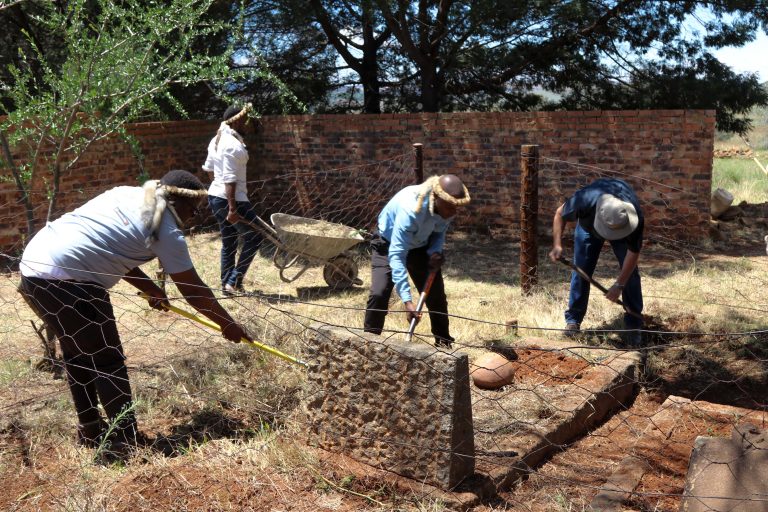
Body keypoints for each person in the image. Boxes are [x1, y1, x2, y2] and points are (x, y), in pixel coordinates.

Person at [19, 170, 252, 456]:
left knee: (78, 355)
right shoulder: (166, 231)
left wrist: (152, 289)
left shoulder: (127, 194)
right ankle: (123, 443)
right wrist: (228, 324)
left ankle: (90, 430)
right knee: (107, 361)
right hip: (68, 279)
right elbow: (193, 290)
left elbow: (113, 244)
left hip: (34, 268)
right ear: (177, 203)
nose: (193, 217)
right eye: (193, 210)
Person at [363, 174, 471, 349]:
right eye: (451, 207)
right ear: (436, 197)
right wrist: (407, 302)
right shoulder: (411, 211)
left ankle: (444, 345)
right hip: (388, 243)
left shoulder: (446, 206)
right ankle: (367, 345)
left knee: (436, 296)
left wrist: (435, 252)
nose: (454, 212)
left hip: (421, 244)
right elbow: (397, 256)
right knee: (379, 293)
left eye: (456, 207)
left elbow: (438, 231)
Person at [548, 177, 644, 345]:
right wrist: (557, 245)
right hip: (588, 227)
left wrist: (619, 284)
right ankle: (573, 321)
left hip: (622, 227)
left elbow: (633, 253)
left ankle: (634, 324)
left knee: (630, 275)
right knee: (581, 270)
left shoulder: (633, 218)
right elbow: (559, 214)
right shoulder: (584, 201)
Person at [203, 103, 263, 295]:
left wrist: (217, 189)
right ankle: (233, 282)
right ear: (236, 120)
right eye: (245, 119)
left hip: (216, 196)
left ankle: (226, 285)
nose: (247, 123)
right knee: (255, 237)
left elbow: (210, 170)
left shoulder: (216, 140)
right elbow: (230, 179)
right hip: (233, 200)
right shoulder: (232, 144)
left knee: (229, 241)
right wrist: (232, 208)